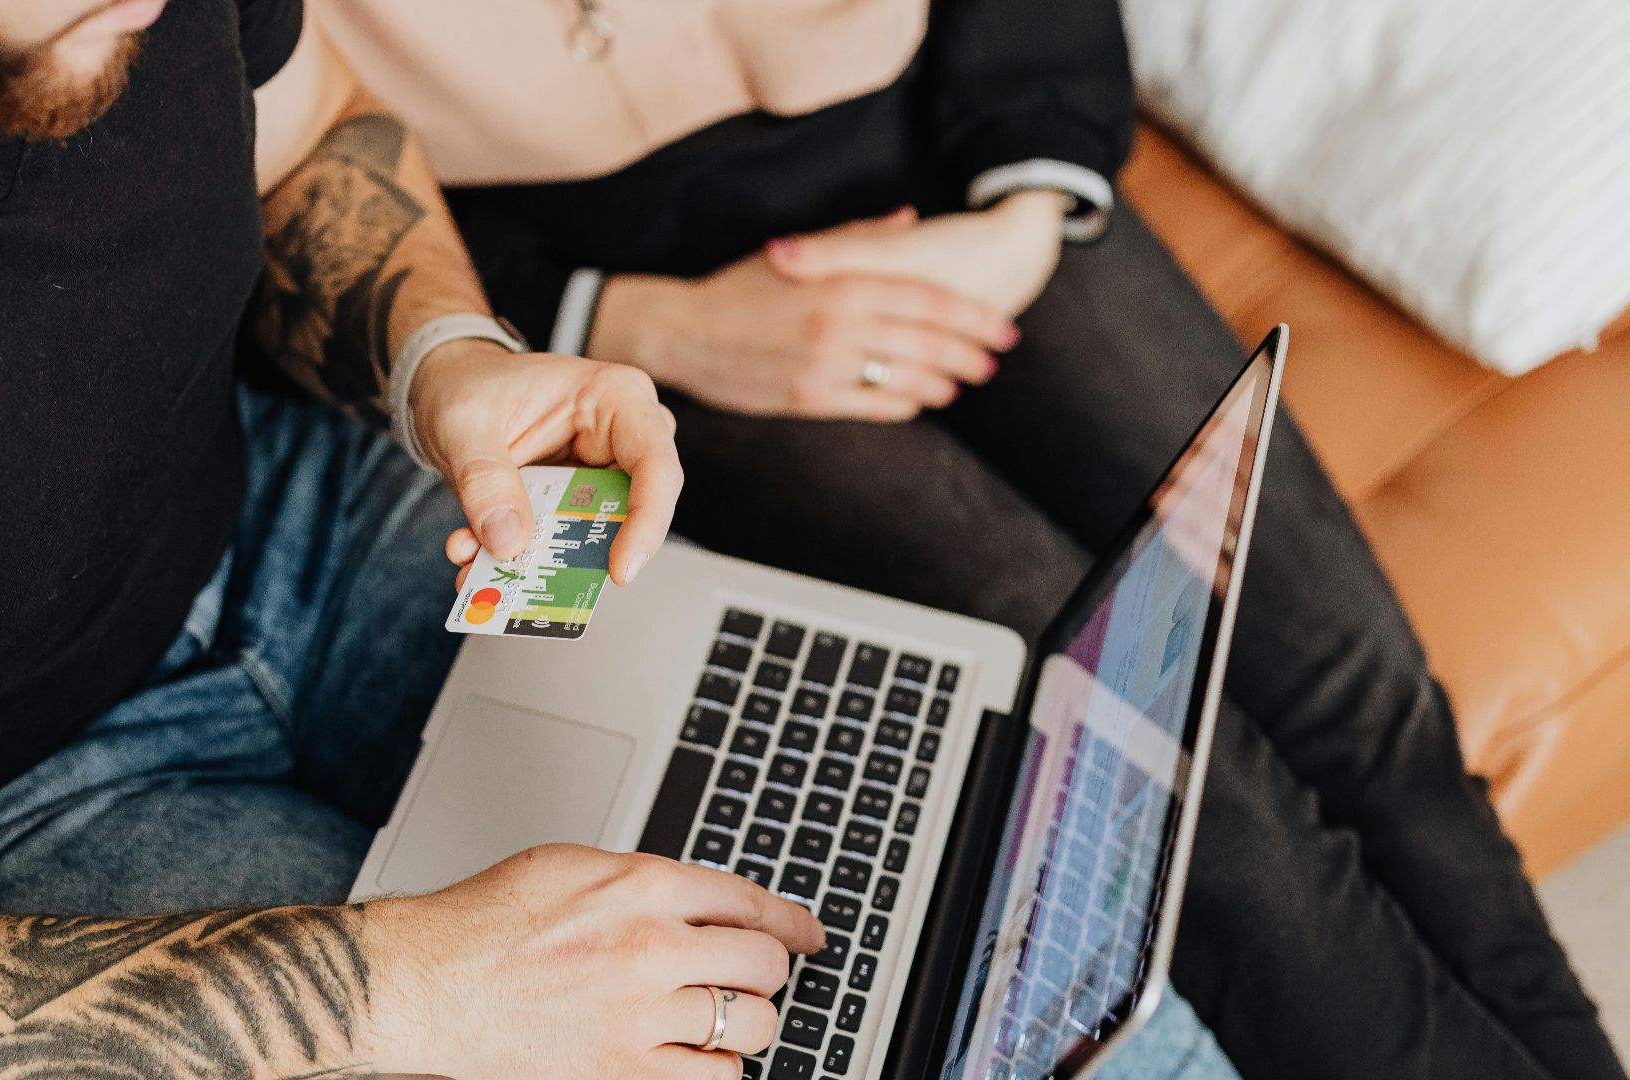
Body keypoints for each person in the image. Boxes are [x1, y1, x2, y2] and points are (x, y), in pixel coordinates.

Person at [312, 1, 1629, 1078]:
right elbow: (283, 193)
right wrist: (631, 319)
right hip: (646, 305)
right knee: (1159, 772)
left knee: (1358, 677)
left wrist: (1025, 214)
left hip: (964, 163)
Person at [0, 2, 890, 1077]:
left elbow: (312, 123)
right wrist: (416, 989)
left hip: (285, 504)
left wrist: (448, 357)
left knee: (832, 813)